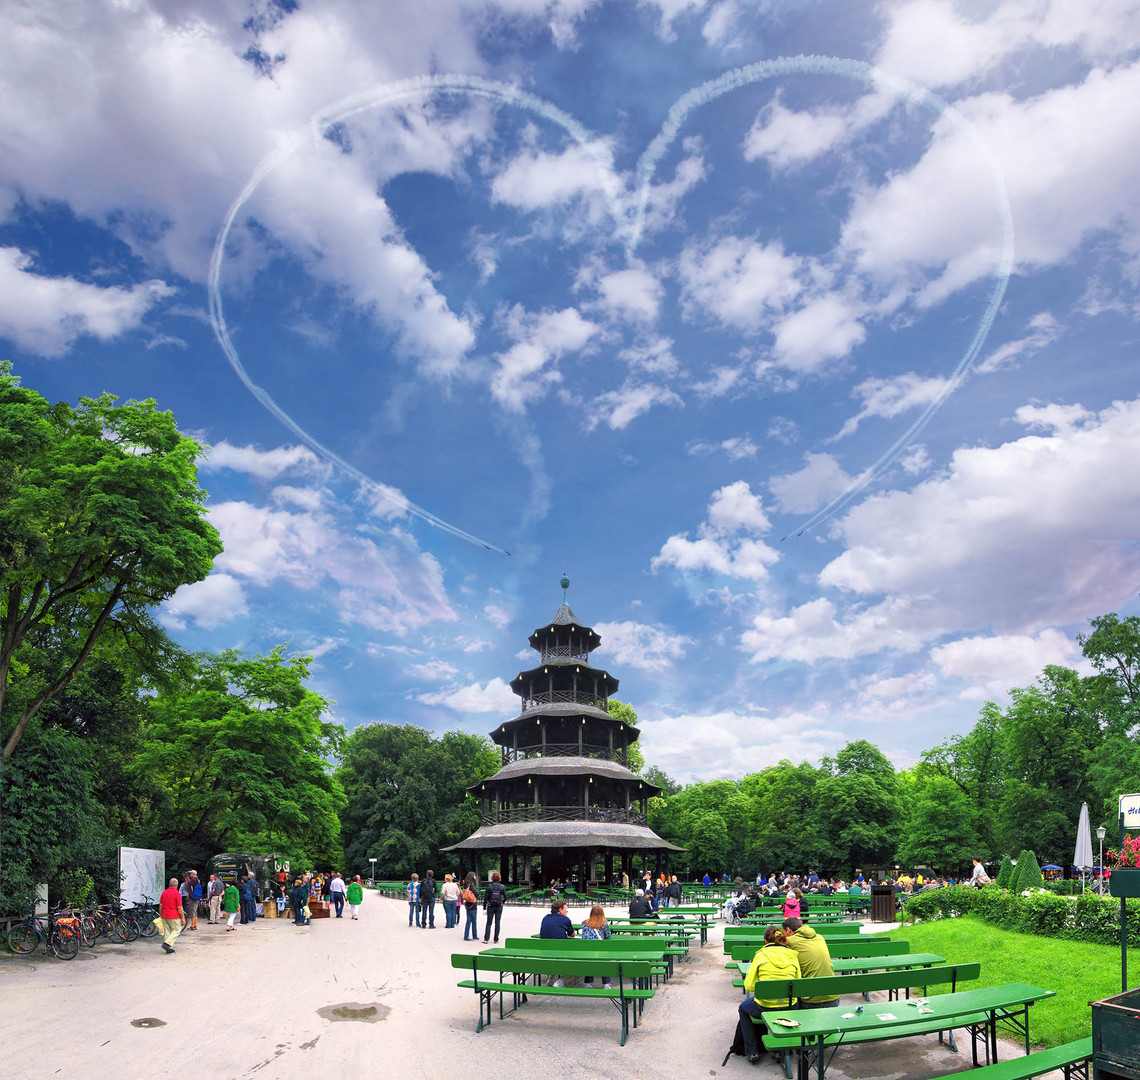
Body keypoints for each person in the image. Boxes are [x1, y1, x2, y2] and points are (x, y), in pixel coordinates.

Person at [738, 925, 801, 1064]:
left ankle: (752, 1050)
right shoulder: (793, 955)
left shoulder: (761, 955)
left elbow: (748, 985)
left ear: (766, 941)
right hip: (789, 1006)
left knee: (743, 1008)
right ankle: (781, 1050)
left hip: (765, 1007)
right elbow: (798, 982)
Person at [782, 917, 837, 1008]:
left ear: (788, 930)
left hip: (810, 1001)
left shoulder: (789, 941)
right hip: (833, 997)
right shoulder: (819, 937)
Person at [580, 904, 613, 989]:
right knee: (603, 962)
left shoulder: (585, 923)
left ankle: (587, 983)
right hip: (599, 948)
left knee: (590, 963)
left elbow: (583, 937)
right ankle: (606, 983)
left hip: (588, 949)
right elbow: (608, 936)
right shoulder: (603, 923)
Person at [158, 876, 184, 954]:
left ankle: (168, 948)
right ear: (177, 885)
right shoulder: (177, 893)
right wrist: (183, 917)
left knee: (167, 931)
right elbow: (179, 907)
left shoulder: (164, 892)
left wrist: (160, 914)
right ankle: (167, 944)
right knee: (177, 929)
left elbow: (161, 905)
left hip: (165, 914)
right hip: (174, 915)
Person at [482, 870, 507, 944]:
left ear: (492, 878)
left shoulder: (489, 886)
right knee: (497, 923)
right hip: (499, 906)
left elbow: (486, 898)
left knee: (489, 923)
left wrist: (484, 907)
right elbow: (506, 897)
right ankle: (496, 939)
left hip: (490, 906)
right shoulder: (502, 886)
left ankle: (486, 939)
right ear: (499, 878)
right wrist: (502, 902)